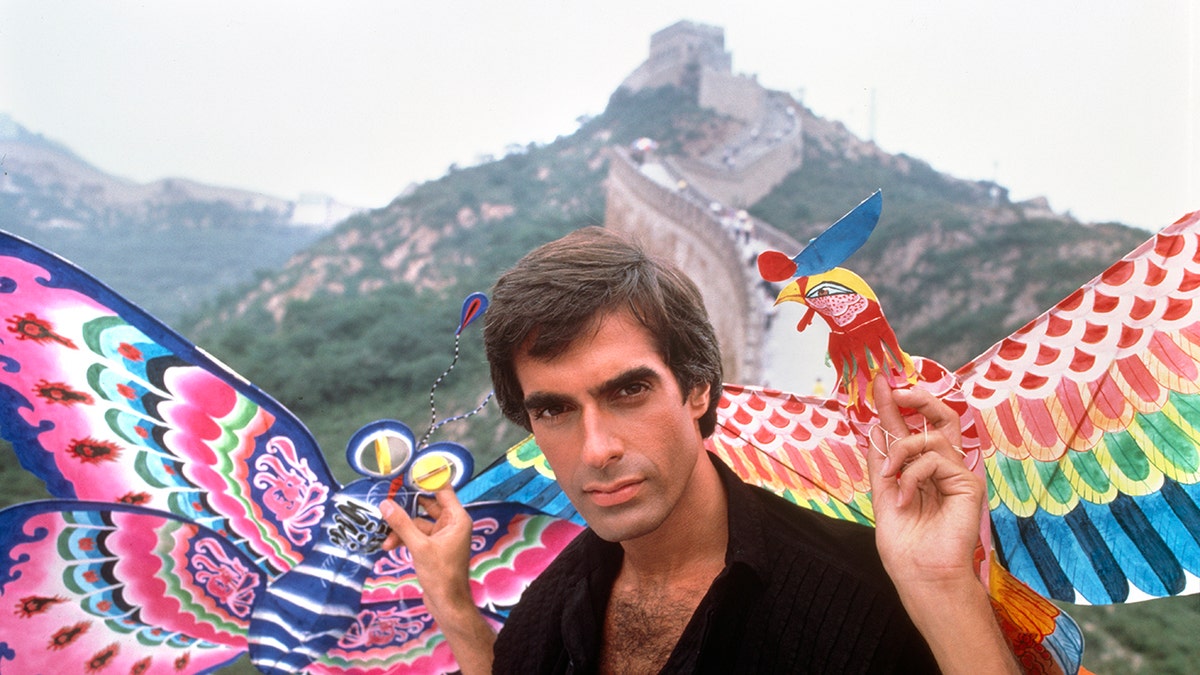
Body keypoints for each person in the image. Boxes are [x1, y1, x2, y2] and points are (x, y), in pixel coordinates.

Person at [380, 226, 1019, 674]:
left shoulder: (866, 608)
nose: (596, 449)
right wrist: (453, 602)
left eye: (629, 391)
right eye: (554, 410)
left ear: (696, 389)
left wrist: (943, 588)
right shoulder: (546, 613)